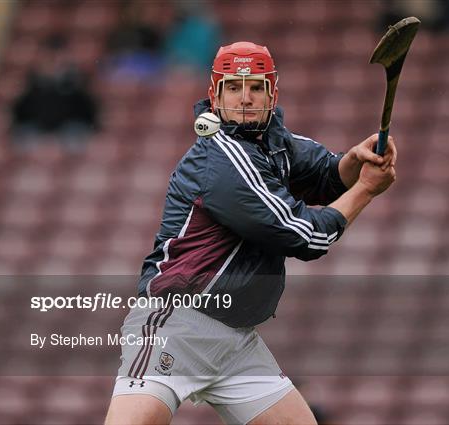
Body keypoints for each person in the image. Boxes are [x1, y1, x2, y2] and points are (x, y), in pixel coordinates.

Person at [105, 41, 396, 424]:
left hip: (237, 341)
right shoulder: (220, 157)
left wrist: (355, 162)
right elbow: (306, 237)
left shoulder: (275, 144)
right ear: (216, 95)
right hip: (177, 323)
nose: (245, 98)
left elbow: (326, 175)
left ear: (271, 94)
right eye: (234, 87)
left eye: (256, 87)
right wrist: (366, 190)